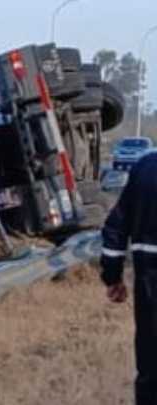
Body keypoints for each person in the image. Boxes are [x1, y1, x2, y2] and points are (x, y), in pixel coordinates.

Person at [101, 152, 157, 405]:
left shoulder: (145, 168)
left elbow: (116, 226)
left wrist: (112, 276)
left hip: (149, 281)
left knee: (150, 361)